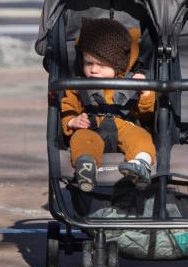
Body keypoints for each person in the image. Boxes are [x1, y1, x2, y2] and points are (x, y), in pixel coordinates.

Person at [61, 18, 157, 192]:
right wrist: (72, 121)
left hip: (124, 124)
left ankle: (141, 163)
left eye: (101, 65)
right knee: (82, 139)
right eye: (88, 63)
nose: (94, 70)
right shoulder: (78, 84)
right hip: (91, 125)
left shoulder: (129, 82)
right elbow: (68, 105)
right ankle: (86, 166)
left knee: (141, 137)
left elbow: (145, 114)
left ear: (118, 65)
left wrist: (146, 92)